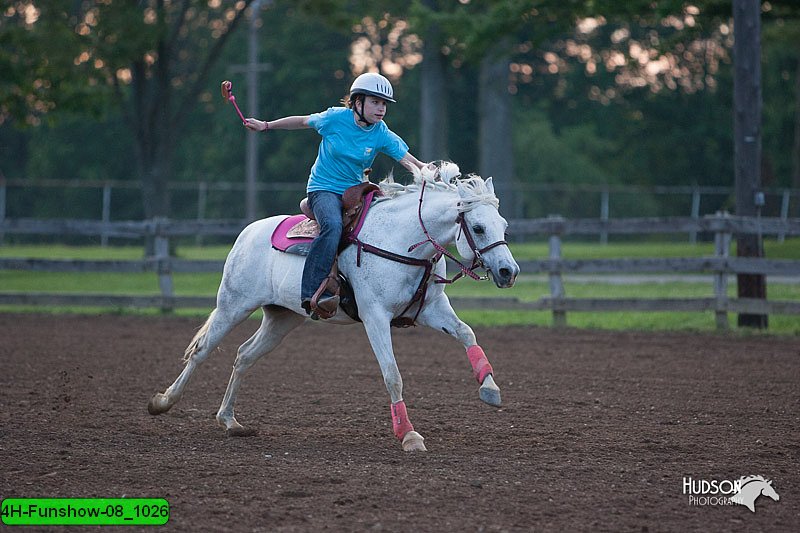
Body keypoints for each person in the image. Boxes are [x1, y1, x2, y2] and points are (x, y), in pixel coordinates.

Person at [244, 72, 429, 318]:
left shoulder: (381, 132)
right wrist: (266, 125)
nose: (381, 108)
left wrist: (429, 172)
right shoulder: (334, 118)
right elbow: (301, 122)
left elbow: (408, 160)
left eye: (384, 103)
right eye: (375, 102)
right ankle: (311, 291)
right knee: (331, 225)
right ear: (357, 102)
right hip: (323, 189)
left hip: (355, 192)